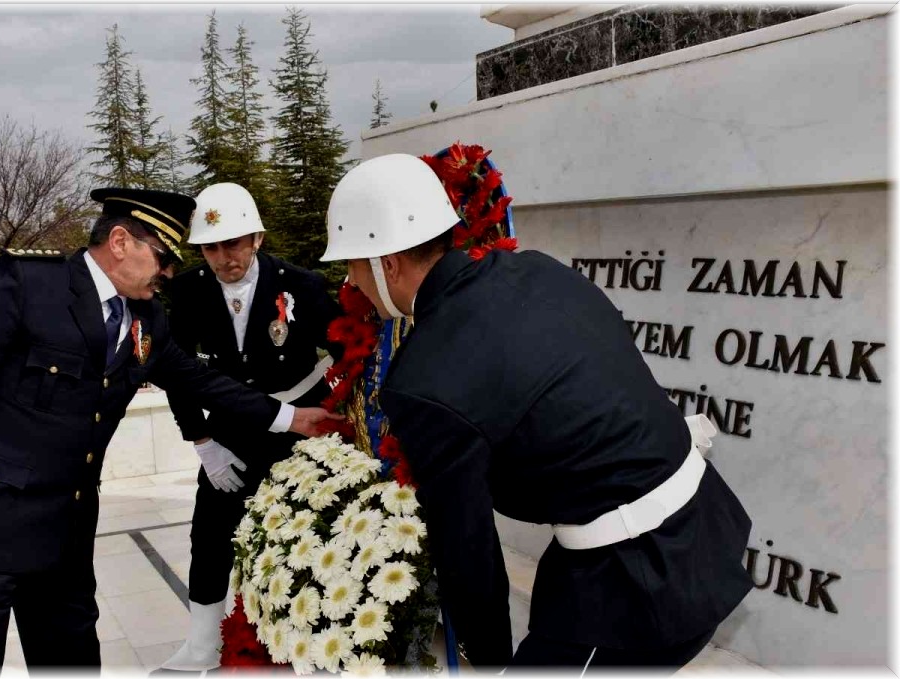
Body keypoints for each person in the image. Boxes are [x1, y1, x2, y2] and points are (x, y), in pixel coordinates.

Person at [320, 154, 753, 671]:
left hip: (634, 590)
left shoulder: (423, 379)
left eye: (350, 264)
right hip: (706, 529)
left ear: (385, 263)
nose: (350, 282)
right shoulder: (538, 270)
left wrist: (492, 664)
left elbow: (470, 554)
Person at [0, 187, 340, 669]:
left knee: (72, 659)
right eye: (163, 257)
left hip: (67, 529)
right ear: (120, 242)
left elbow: (198, 380)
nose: (169, 272)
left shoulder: (146, 315)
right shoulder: (30, 284)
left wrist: (291, 418)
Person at [158, 183, 342, 671]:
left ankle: (311, 641)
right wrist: (202, 443)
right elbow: (179, 373)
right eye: (211, 247)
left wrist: (341, 416)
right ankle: (203, 644)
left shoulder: (299, 284)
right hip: (229, 434)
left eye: (234, 243)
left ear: (257, 238)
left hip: (299, 429)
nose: (223, 257)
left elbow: (345, 348)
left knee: (306, 532)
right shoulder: (189, 290)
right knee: (210, 535)